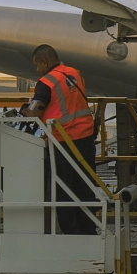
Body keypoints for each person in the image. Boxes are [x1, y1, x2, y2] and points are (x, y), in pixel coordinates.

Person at [25, 44, 100, 235]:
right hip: (85, 138)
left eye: (37, 65)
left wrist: (23, 111)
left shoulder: (47, 82)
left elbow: (33, 112)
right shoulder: (73, 73)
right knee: (85, 186)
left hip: (63, 142)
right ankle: (89, 230)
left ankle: (71, 235)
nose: (37, 70)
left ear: (45, 62)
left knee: (63, 190)